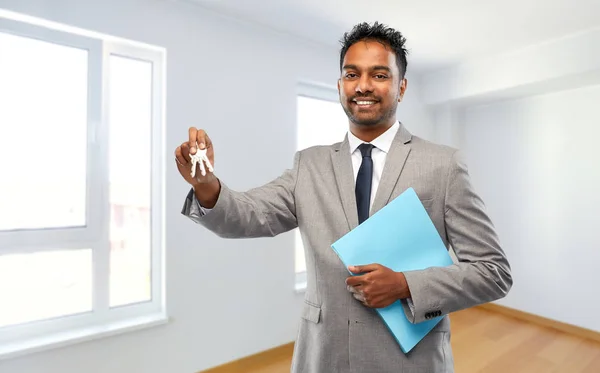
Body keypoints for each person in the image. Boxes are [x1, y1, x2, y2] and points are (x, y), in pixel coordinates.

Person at [176, 21, 512, 373]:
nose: (363, 85)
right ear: (340, 85)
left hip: (411, 360)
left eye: (379, 75)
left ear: (401, 87)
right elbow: (247, 215)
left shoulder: (443, 165)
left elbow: (493, 272)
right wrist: (207, 185)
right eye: (352, 74)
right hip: (325, 356)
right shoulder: (309, 164)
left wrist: (404, 284)